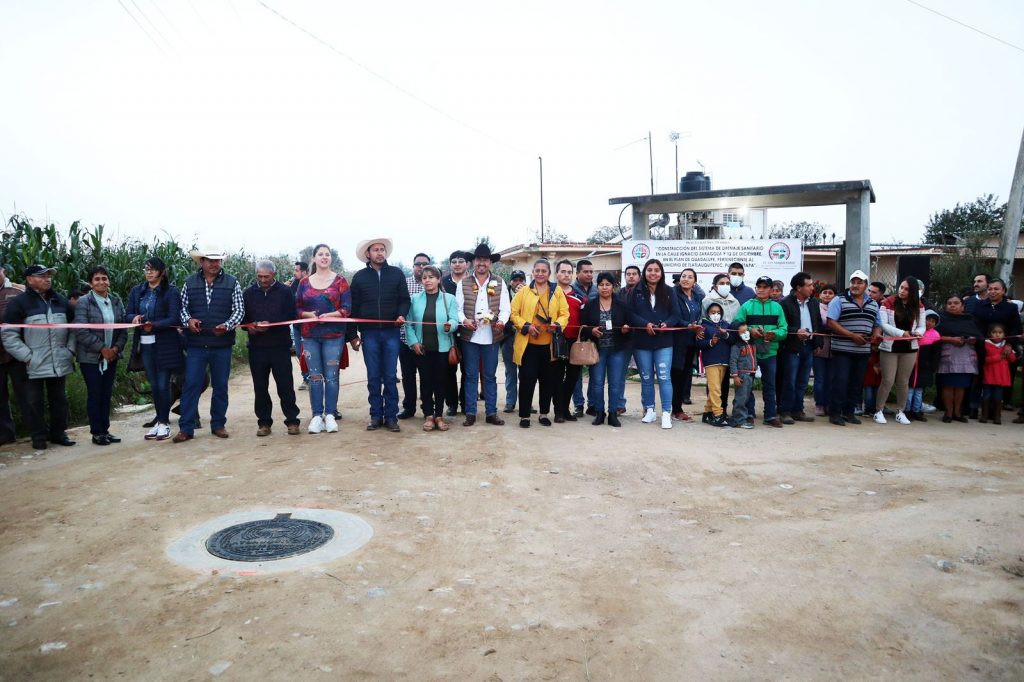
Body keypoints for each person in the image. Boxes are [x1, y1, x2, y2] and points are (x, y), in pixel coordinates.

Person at [172, 246, 245, 443]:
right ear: (202, 262)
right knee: (191, 385)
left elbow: (239, 310)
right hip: (196, 344)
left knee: (220, 386)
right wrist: (189, 320)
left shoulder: (232, 282)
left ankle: (218, 424)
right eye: (210, 260)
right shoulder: (190, 283)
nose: (214, 264)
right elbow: (183, 308)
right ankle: (186, 428)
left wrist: (227, 325)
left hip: (222, 344)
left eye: (217, 260)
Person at [1, 265, 76, 449]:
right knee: (33, 402)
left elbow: (74, 327)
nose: (47, 279)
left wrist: (70, 351)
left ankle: (59, 433)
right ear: (29, 279)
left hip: (59, 361)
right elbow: (9, 335)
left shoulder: (60, 301)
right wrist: (28, 357)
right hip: (33, 363)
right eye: (41, 276)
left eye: (48, 275)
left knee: (59, 400)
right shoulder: (19, 303)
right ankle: (39, 436)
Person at [350, 237, 411, 432]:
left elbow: (404, 299)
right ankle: (376, 415)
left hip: (392, 332)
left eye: (382, 249)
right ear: (368, 254)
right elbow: (353, 307)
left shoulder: (396, 273)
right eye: (375, 250)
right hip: (369, 334)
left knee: (390, 376)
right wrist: (352, 335)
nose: (379, 253)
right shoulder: (359, 277)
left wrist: (401, 314)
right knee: (373, 376)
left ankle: (391, 417)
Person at [126, 257, 183, 441]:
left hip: (165, 344)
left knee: (163, 384)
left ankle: (164, 423)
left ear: (162, 272)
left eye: (153, 269)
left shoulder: (171, 292)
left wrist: (155, 325)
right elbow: (127, 313)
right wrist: (134, 318)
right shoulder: (137, 291)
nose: (149, 272)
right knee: (154, 386)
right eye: (146, 269)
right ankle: (159, 422)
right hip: (145, 345)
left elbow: (174, 318)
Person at [242, 260, 301, 437]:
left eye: (266, 277)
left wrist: (272, 324)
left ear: (274, 275)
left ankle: (292, 421)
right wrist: (249, 327)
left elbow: (292, 315)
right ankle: (264, 422)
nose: (263, 280)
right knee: (260, 387)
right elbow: (243, 318)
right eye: (259, 276)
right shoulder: (248, 293)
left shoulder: (285, 292)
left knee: (285, 385)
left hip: (280, 347)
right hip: (257, 348)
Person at [455, 244, 509, 426]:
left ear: (490, 263)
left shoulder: (499, 282)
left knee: (490, 376)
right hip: (470, 336)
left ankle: (491, 413)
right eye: (478, 259)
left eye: (485, 260)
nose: (482, 263)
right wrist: (464, 320)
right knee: (470, 375)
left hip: (492, 336)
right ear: (473, 262)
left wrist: (502, 321)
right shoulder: (463, 283)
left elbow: (505, 308)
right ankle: (470, 413)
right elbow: (458, 309)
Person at [510, 259, 568, 428]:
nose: (540, 274)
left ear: (549, 273)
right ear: (533, 272)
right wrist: (526, 326)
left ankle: (544, 413)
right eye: (537, 270)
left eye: (544, 271)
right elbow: (514, 314)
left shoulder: (557, 291)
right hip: (528, 345)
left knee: (547, 382)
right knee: (527, 381)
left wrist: (557, 325)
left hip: (549, 346)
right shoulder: (523, 291)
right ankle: (524, 416)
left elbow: (564, 314)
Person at [74, 267, 128, 445]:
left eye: (104, 278)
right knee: (95, 393)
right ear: (91, 283)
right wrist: (102, 349)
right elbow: (81, 331)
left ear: (109, 281)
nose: (101, 282)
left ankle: (105, 430)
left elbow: (123, 329)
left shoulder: (115, 300)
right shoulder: (84, 302)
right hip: (91, 358)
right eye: (96, 279)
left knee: (106, 394)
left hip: (112, 356)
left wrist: (115, 349)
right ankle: (97, 432)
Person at [627, 258, 682, 429]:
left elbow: (676, 314)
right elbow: (630, 314)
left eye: (656, 270)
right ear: (644, 272)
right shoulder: (635, 291)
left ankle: (666, 412)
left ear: (661, 272)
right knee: (646, 377)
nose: (653, 273)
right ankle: (649, 410)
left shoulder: (669, 291)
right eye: (649, 270)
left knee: (664, 377)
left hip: (663, 341)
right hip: (642, 342)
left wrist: (667, 324)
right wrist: (645, 324)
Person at [405, 265, 460, 432]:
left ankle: (439, 416)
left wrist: (450, 325)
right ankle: (428, 415)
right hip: (422, 348)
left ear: (438, 279)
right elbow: (408, 324)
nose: (427, 280)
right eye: (424, 278)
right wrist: (414, 342)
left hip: (443, 349)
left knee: (441, 382)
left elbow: (455, 320)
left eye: (431, 277)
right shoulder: (415, 299)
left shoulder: (449, 298)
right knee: (425, 382)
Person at [826, 270, 881, 426]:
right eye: (853, 282)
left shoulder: (873, 304)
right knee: (840, 382)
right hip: (842, 350)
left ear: (866, 285)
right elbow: (831, 322)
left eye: (859, 282)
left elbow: (877, 324)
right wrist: (852, 335)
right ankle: (835, 413)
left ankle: (849, 412)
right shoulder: (839, 299)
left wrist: (876, 335)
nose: (855, 285)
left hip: (862, 351)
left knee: (856, 383)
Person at [732, 275, 788, 427]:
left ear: (770, 289)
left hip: (770, 352)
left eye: (765, 287)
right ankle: (749, 414)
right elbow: (737, 325)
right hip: (749, 352)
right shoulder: (746, 306)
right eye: (759, 287)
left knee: (770, 385)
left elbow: (784, 329)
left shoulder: (777, 307)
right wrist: (750, 331)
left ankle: (770, 416)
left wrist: (774, 334)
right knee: (747, 385)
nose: (761, 290)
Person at [873, 276, 927, 426]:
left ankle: (900, 411)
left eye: (907, 289)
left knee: (903, 381)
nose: (902, 291)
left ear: (913, 292)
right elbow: (883, 324)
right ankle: (878, 411)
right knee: (888, 380)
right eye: (901, 287)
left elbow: (922, 325)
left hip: (910, 348)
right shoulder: (887, 302)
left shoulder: (919, 306)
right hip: (890, 347)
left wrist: (917, 333)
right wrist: (902, 333)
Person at [578, 272, 630, 427]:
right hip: (597, 350)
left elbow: (630, 324)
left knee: (615, 383)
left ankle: (613, 413)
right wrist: (591, 331)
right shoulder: (590, 304)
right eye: (601, 284)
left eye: (608, 284)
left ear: (613, 286)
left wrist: (626, 329)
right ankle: (599, 413)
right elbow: (583, 326)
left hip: (617, 350)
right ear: (597, 286)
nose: (605, 287)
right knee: (597, 383)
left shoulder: (622, 304)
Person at [777, 272, 822, 424]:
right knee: (789, 381)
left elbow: (817, 323)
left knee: (803, 381)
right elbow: (781, 325)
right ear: (798, 287)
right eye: (809, 285)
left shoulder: (814, 302)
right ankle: (785, 412)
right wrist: (796, 331)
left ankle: (798, 411)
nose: (812, 288)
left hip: (808, 346)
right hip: (791, 348)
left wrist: (818, 343)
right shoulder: (785, 303)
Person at [935, 294, 981, 423]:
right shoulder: (940, 319)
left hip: (965, 355)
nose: (952, 306)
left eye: (956, 303)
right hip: (948, 355)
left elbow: (978, 336)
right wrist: (950, 339)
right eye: (949, 303)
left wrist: (973, 339)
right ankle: (948, 412)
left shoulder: (969, 319)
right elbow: (934, 335)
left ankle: (957, 412)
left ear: (962, 306)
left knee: (961, 385)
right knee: (948, 385)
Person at [0, 265, 32, 446]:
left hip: (16, 354)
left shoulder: (18, 291)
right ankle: (5, 434)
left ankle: (36, 430)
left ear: (3, 270)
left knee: (26, 394)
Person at [552, 259, 586, 423]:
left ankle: (565, 409)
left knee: (573, 378)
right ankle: (558, 411)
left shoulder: (580, 297)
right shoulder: (550, 294)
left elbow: (585, 319)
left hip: (575, 342)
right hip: (556, 340)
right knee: (557, 377)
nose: (566, 275)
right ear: (556, 274)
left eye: (569, 272)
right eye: (563, 272)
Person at [398, 253, 430, 420]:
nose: (421, 267)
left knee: (426, 375)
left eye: (425, 264)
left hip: (427, 339)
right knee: (408, 376)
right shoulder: (404, 283)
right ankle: (409, 407)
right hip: (405, 338)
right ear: (413, 266)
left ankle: (427, 408)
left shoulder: (432, 283)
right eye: (418, 264)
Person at [671, 268, 704, 420]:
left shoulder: (697, 297)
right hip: (677, 341)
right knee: (676, 375)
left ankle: (678, 407)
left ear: (694, 282)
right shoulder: (673, 294)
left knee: (686, 374)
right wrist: (687, 325)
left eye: (690, 277)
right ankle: (676, 409)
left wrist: (698, 328)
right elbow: (674, 316)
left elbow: (699, 316)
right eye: (684, 276)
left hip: (692, 341)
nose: (686, 279)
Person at [441, 250, 471, 416]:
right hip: (448, 332)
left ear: (467, 264)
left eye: (461, 261)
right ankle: (451, 404)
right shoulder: (443, 283)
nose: (457, 264)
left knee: (468, 370)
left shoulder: (473, 282)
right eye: (454, 261)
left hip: (469, 332)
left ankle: (466, 403)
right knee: (449, 370)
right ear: (450, 264)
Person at [570, 259, 597, 416]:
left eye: (591, 272)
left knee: (595, 371)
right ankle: (578, 405)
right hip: (576, 336)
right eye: (585, 271)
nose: (589, 274)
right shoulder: (570, 289)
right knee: (576, 373)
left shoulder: (597, 289)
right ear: (577, 273)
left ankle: (592, 405)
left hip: (595, 335)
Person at [697, 302, 732, 427]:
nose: (716, 315)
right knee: (715, 389)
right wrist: (711, 342)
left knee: (715, 389)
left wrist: (725, 334)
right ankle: (718, 415)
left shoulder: (726, 325)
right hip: (711, 362)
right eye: (713, 312)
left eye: (718, 312)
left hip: (724, 362)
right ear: (708, 313)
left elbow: (732, 340)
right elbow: (699, 343)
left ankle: (707, 413)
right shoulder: (703, 326)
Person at [905, 312, 940, 421]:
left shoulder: (935, 335)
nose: (929, 323)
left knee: (919, 391)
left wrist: (933, 367)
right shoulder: (914, 331)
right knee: (909, 390)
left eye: (933, 321)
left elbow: (936, 354)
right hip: (910, 365)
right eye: (927, 319)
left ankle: (916, 411)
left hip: (924, 368)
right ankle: (907, 411)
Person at [501, 270, 527, 414]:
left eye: (521, 280)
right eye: (515, 280)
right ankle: (510, 402)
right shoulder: (504, 295)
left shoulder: (530, 294)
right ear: (510, 282)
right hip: (509, 338)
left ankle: (526, 403)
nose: (518, 283)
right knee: (510, 372)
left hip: (525, 338)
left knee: (525, 372)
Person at [979, 323, 1016, 425]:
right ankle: (984, 415)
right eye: (994, 332)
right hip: (989, 376)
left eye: (1000, 332)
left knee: (998, 397)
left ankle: (997, 416)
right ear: (989, 334)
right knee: (986, 396)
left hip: (1000, 378)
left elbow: (1013, 360)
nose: (997, 335)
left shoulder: (1006, 346)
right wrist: (998, 357)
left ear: (1004, 334)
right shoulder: (986, 344)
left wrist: (1009, 352)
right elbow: (984, 360)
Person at [812, 283, 837, 417]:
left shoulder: (838, 307)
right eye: (825, 292)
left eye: (830, 293)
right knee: (820, 378)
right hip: (819, 347)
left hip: (835, 347)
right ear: (820, 295)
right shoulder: (815, 308)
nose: (827, 295)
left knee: (832, 378)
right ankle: (819, 404)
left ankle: (829, 404)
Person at [728, 322, 757, 429]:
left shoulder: (751, 344)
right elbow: (733, 361)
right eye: (742, 332)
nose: (746, 333)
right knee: (741, 398)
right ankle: (739, 420)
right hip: (742, 375)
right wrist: (735, 376)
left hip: (750, 375)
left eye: (747, 330)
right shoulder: (736, 346)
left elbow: (761, 352)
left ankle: (739, 418)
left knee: (745, 398)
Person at [289, 260, 310, 389]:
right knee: (298, 352)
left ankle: (311, 378)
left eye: (297, 270)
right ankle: (306, 378)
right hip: (297, 325)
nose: (294, 273)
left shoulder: (311, 284)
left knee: (309, 352)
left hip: (309, 326)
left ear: (304, 272)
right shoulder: (293, 285)